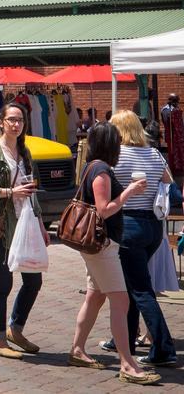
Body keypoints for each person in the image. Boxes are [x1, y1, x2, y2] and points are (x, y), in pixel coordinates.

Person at [68, 123, 158, 384]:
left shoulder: (91, 166)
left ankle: (77, 350)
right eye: (117, 141)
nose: (120, 145)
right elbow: (104, 209)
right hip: (103, 245)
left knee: (95, 298)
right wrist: (129, 192)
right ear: (110, 144)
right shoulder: (102, 171)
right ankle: (127, 364)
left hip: (96, 246)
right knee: (121, 302)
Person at [98, 111, 177, 367]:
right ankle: (127, 339)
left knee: (141, 289)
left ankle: (163, 347)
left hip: (127, 224)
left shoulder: (114, 158)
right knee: (133, 286)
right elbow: (171, 187)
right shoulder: (154, 154)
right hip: (153, 227)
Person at [0, 102, 47, 360]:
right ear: (1, 122)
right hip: (2, 225)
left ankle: (16, 328)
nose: (16, 124)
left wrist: (40, 224)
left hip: (26, 224)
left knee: (34, 280)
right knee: (3, 282)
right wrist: (9, 192)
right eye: (12, 119)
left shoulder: (25, 152)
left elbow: (32, 191)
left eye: (20, 120)